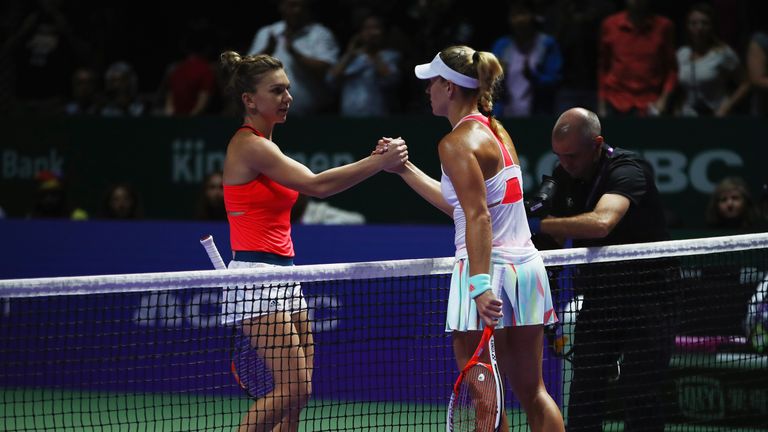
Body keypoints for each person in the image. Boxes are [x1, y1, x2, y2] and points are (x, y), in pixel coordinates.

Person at [218, 50, 407, 432]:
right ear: (249, 100)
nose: (287, 97)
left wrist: (375, 160)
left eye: (287, 89)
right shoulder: (248, 145)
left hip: (286, 273)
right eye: (276, 90)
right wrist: (379, 163)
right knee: (294, 386)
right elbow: (317, 185)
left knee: (299, 397)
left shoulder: (269, 146)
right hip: (254, 278)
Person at [382, 45, 563, 431]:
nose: (427, 89)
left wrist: (480, 286)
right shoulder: (496, 130)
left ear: (449, 87)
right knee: (534, 392)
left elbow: (478, 217)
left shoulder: (455, 143)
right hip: (526, 270)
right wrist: (405, 169)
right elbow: (464, 208)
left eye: (433, 82)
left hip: (484, 271)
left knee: (486, 400)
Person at [530, 107, 677, 431]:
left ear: (596, 144)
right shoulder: (564, 175)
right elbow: (553, 240)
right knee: (585, 389)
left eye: (572, 156)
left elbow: (601, 223)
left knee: (639, 390)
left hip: (650, 296)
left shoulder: (628, 170)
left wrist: (543, 224)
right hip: (601, 296)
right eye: (558, 156)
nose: (564, 164)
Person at [247, 0, 339, 116]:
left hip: (311, 116)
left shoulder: (320, 34)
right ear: (281, 7)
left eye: (301, 6)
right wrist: (267, 51)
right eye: (292, 5)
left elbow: (327, 71)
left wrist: (295, 53)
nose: (297, 10)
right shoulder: (267, 32)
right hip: (267, 116)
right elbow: (246, 71)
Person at [597, 0, 677, 116]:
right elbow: (603, 68)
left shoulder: (664, 26)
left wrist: (663, 100)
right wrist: (601, 104)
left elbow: (672, 69)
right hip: (616, 101)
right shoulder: (610, 25)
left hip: (651, 103)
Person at [675, 3, 750, 117]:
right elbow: (680, 88)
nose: (699, 28)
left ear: (712, 27)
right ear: (687, 26)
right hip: (687, 115)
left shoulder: (722, 53)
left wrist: (727, 107)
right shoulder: (682, 54)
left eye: (705, 23)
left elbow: (745, 83)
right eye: (693, 23)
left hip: (715, 115)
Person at [490, 1, 563, 116]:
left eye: (522, 13)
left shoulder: (547, 44)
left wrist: (534, 77)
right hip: (504, 115)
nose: (519, 20)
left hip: (537, 116)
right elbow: (488, 81)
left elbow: (555, 80)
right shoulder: (501, 45)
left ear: (533, 16)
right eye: (514, 15)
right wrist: (498, 75)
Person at [326, 12, 401, 117]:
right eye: (367, 28)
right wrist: (349, 54)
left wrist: (373, 53)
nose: (371, 33)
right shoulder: (351, 58)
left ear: (383, 32)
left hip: (379, 118)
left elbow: (391, 79)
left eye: (375, 28)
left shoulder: (391, 56)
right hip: (349, 118)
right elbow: (331, 79)